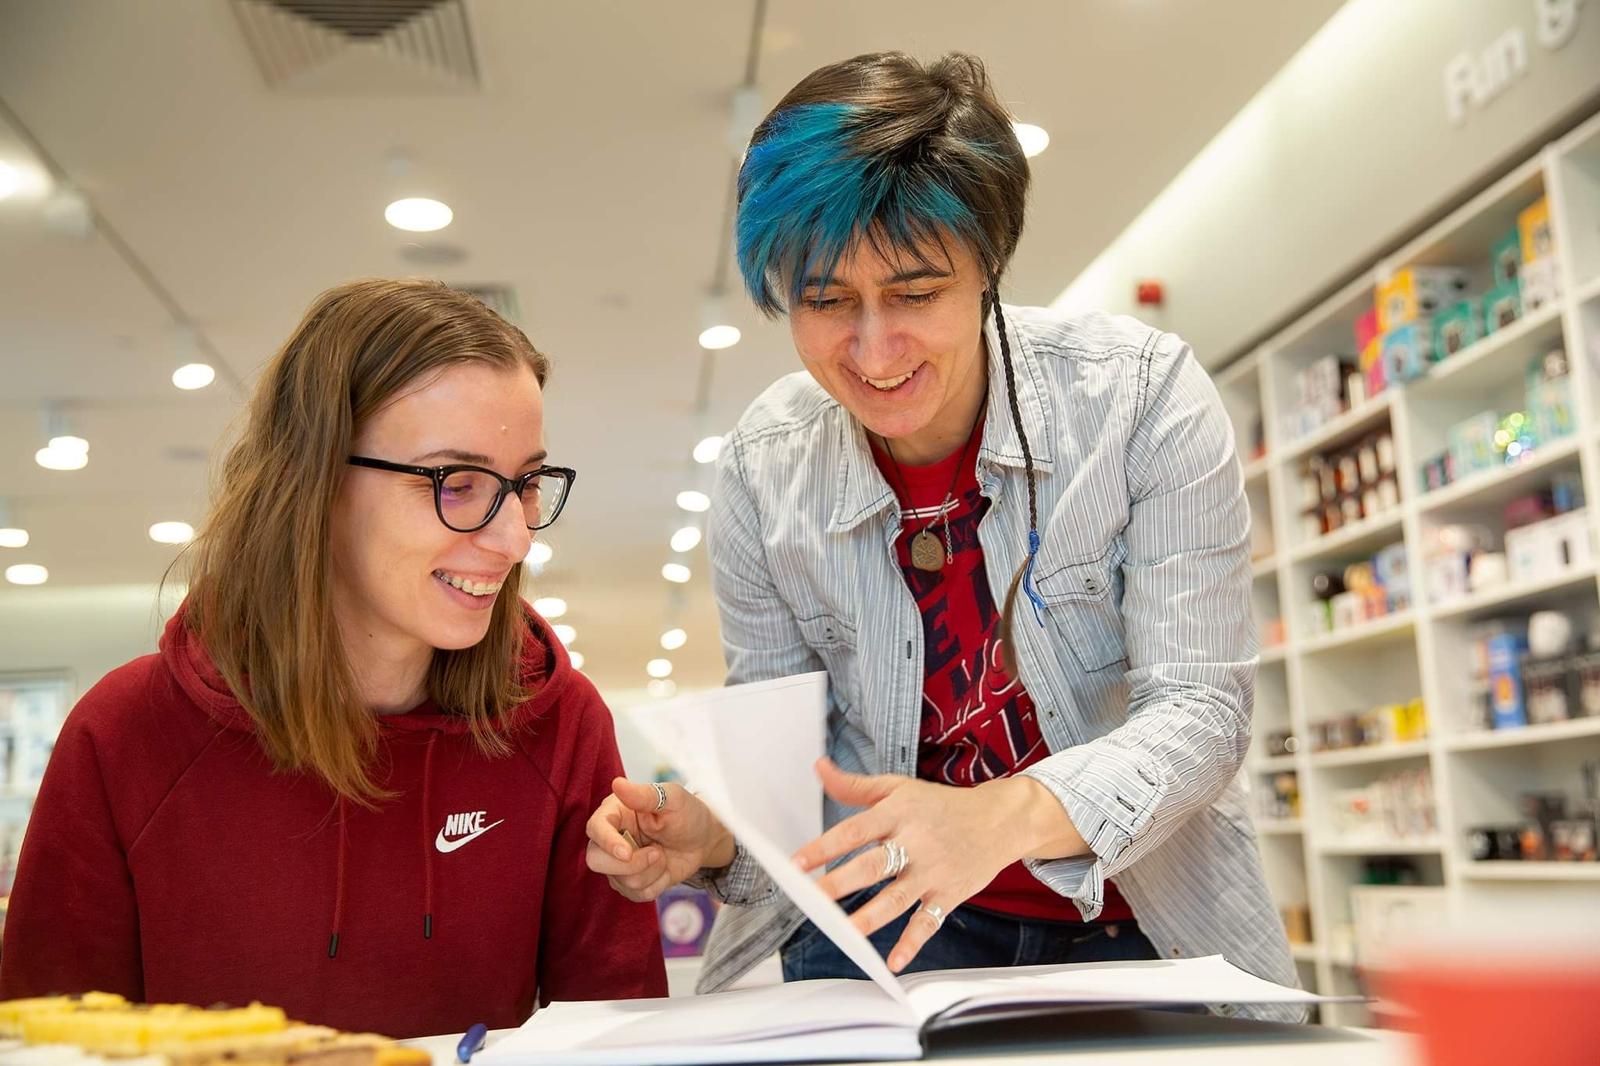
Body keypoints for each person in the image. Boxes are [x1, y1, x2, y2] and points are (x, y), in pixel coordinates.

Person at [586, 52, 1298, 1022]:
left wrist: (999, 817)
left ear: (987, 268)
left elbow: (1202, 715)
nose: (873, 352)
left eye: (917, 292)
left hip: (1144, 914)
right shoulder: (763, 470)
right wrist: (711, 834)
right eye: (827, 300)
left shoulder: (1139, 400)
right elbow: (789, 769)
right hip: (885, 927)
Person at [0, 279, 667, 1037]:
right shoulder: (124, 735)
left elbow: (629, 1037)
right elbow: (42, 1043)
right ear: (314, 480)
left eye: (524, 486)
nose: (515, 538)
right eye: (459, 482)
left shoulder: (559, 723)